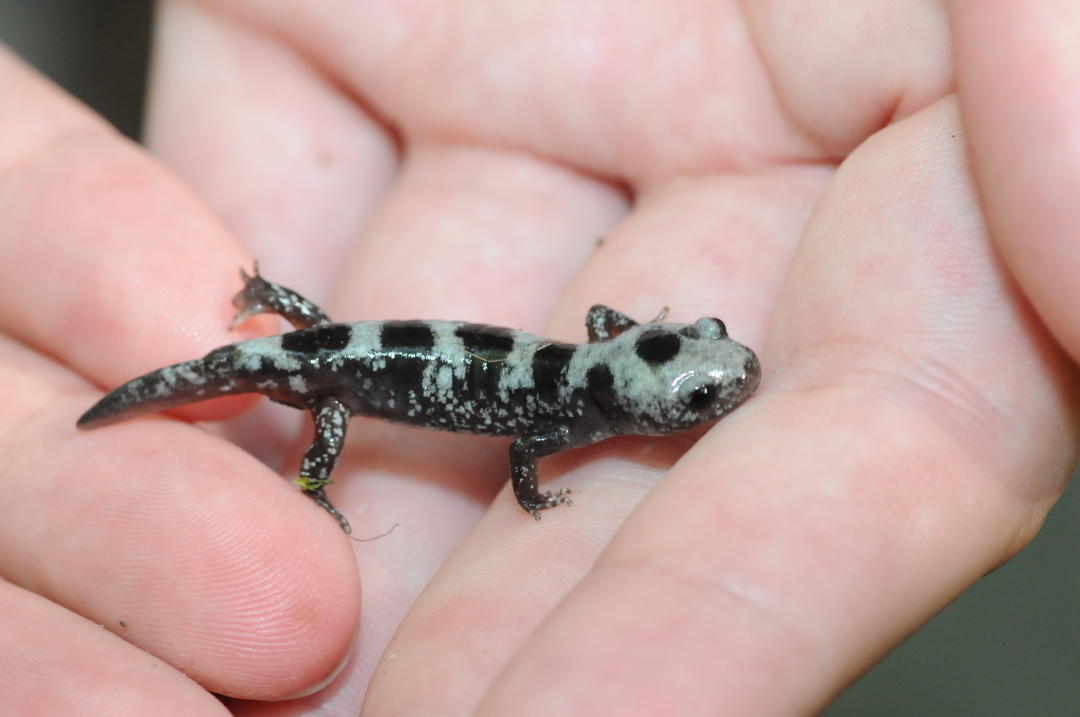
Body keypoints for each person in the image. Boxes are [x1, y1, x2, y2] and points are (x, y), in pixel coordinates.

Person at [2, 2, 1078, 714]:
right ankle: (298, 447)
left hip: (332, 342)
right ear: (644, 409)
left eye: (710, 370)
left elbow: (599, 330)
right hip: (329, 365)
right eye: (703, 384)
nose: (729, 377)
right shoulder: (568, 415)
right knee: (320, 409)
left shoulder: (592, 381)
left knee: (304, 343)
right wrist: (532, 496)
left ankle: (261, 316)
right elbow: (524, 444)